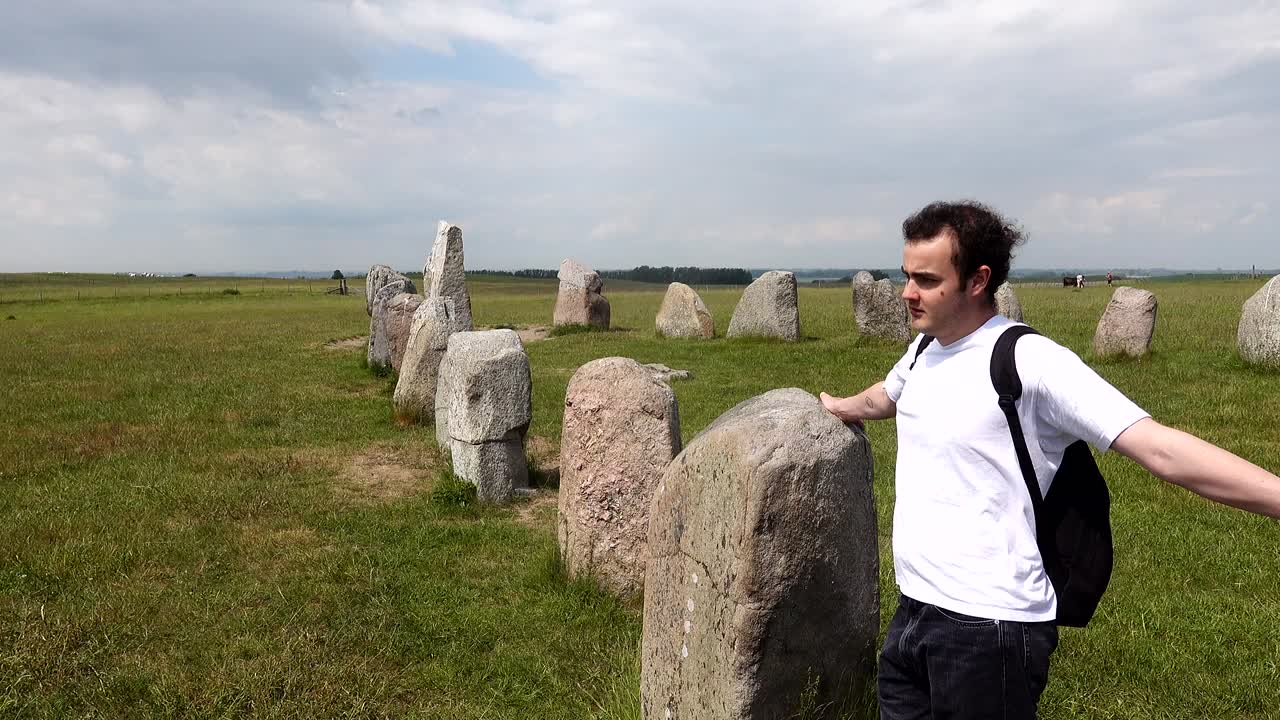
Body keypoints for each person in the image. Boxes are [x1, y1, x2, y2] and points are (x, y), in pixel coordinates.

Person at [819, 200, 1280, 720]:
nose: (907, 292)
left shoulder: (1031, 362)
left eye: (925, 279)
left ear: (977, 280)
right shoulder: (926, 348)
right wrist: (837, 407)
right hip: (913, 611)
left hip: (989, 628)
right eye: (907, 276)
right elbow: (891, 395)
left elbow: (1159, 447)